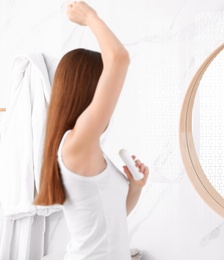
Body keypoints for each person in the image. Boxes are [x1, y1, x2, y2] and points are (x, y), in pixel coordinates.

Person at [34, 2, 149, 259]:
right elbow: (119, 59)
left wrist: (135, 187)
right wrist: (89, 17)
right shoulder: (76, 143)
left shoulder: (84, 146)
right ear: (90, 89)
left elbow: (112, 221)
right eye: (104, 84)